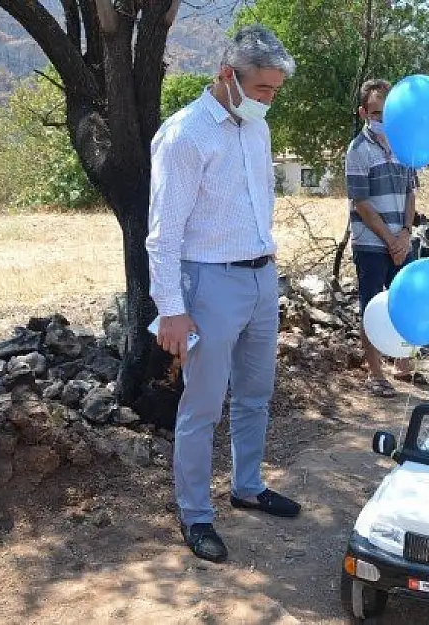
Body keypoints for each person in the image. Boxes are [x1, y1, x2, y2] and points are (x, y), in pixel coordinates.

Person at [145, 24, 301, 564]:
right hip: (208, 282)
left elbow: (259, 201)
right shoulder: (185, 135)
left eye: (276, 92)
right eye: (263, 90)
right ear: (227, 76)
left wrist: (269, 267)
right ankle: (195, 515)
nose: (270, 100)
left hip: (261, 278)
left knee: (256, 392)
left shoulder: (257, 130)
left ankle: (248, 486)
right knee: (202, 406)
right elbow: (163, 235)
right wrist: (172, 310)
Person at [345, 79, 417, 398]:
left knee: (404, 302)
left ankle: (403, 361)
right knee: (372, 307)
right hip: (371, 244)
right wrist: (390, 239)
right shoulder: (357, 151)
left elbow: (410, 193)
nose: (381, 119)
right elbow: (361, 203)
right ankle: (376, 375)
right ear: (363, 112)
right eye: (375, 112)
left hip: (400, 242)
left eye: (386, 112)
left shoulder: (405, 147)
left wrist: (404, 234)